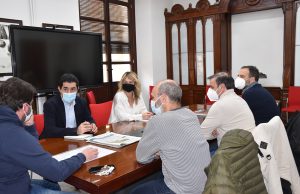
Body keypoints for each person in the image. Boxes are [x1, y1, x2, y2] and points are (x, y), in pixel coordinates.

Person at [0, 77, 98, 193]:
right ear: (26, 107)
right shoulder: (15, 134)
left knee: (52, 186)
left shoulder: (8, 126)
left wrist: (30, 125)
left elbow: (31, 150)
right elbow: (57, 173)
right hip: (14, 189)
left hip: (11, 180)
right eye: (31, 105)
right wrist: (83, 156)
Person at [132, 80, 211, 194]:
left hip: (183, 190)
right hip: (205, 185)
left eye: (154, 97)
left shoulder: (157, 121)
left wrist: (157, 152)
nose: (152, 102)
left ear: (163, 98)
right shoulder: (191, 114)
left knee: (135, 191)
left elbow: (142, 158)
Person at [200, 72, 255, 145]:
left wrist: (214, 131)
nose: (209, 90)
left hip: (231, 152)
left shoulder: (220, 105)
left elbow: (201, 134)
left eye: (212, 87)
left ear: (221, 87)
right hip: (248, 148)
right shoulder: (240, 99)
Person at [40, 73, 97, 138]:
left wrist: (92, 125)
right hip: (54, 141)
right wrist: (76, 131)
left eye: (73, 89)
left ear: (77, 89)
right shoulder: (50, 104)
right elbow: (50, 130)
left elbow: (89, 119)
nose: (69, 92)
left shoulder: (81, 102)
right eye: (65, 89)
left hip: (77, 140)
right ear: (59, 89)